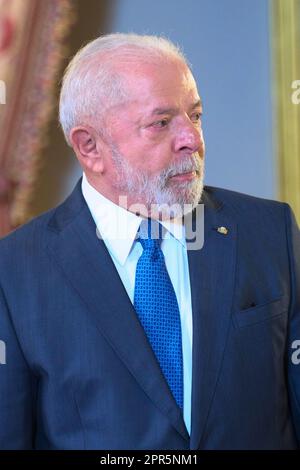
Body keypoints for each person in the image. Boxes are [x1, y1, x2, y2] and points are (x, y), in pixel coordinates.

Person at [0, 33, 299, 450]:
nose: (191, 139)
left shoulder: (271, 233)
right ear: (90, 147)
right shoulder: (13, 273)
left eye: (194, 115)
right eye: (161, 123)